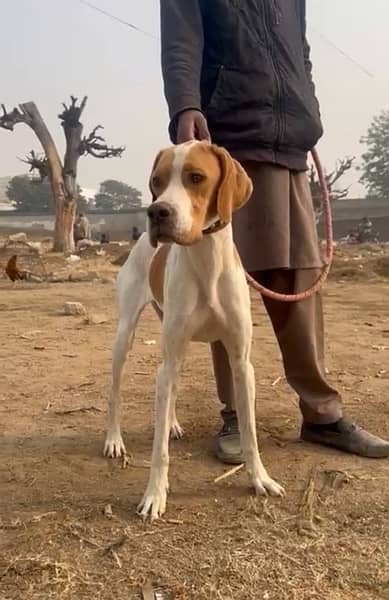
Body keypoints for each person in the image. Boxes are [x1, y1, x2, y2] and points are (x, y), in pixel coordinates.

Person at [159, 0, 389, 462]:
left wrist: (309, 108)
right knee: (223, 284)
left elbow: (299, 51)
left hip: (291, 145)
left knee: (300, 279)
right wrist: (186, 103)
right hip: (233, 145)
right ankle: (235, 417)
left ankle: (322, 414)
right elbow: (181, 40)